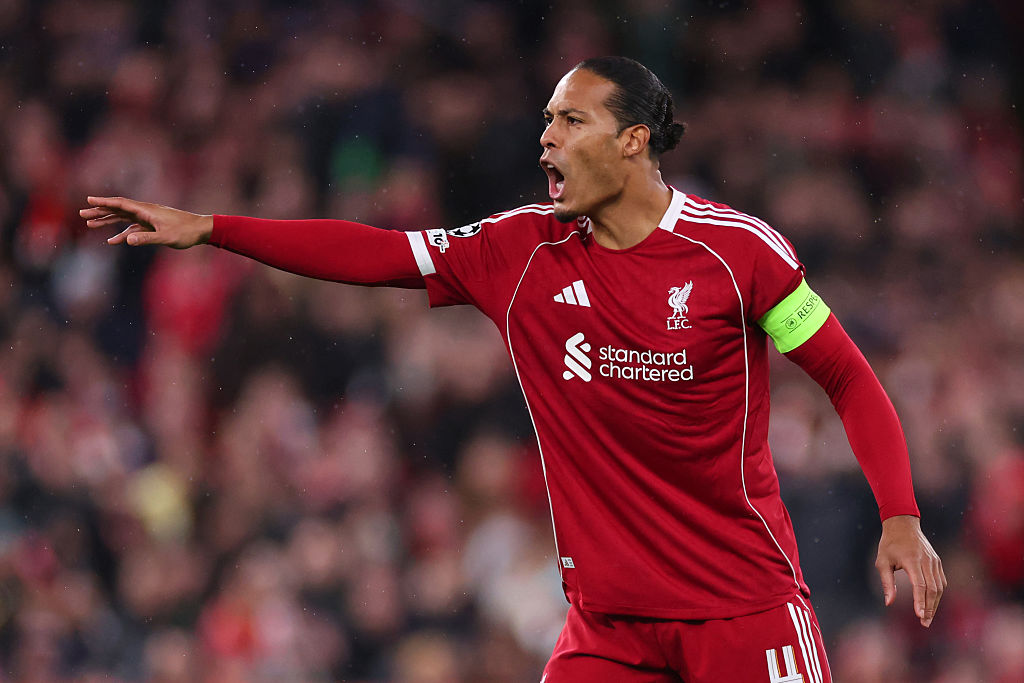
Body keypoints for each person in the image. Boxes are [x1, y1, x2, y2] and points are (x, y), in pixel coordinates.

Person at [82, 56, 944, 683]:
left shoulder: (738, 255)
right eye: (545, 120)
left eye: (570, 121)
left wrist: (899, 515)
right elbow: (377, 253)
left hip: (742, 607)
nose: (547, 138)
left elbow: (846, 376)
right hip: (608, 628)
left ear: (634, 141)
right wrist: (213, 227)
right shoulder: (518, 252)